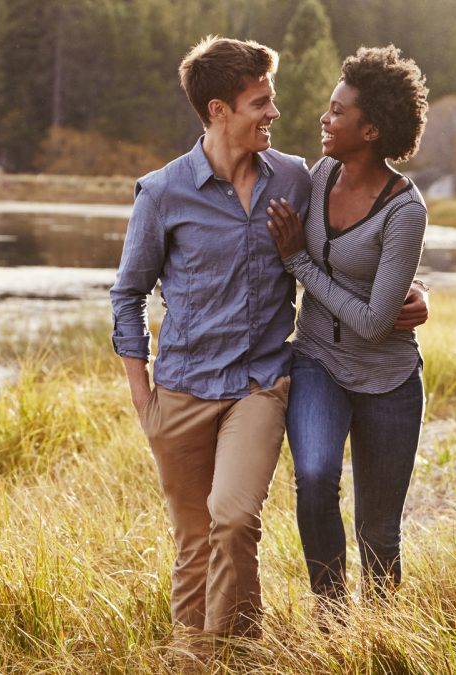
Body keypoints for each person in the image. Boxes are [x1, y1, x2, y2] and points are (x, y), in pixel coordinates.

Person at [110, 36, 426, 639]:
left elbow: (362, 245)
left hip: (263, 382)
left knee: (235, 519)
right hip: (183, 385)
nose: (278, 113)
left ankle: (331, 638)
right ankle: (211, 651)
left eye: (272, 98)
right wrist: (138, 388)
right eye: (261, 102)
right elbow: (128, 293)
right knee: (196, 540)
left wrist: (413, 291)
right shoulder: (164, 193)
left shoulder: (293, 179)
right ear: (219, 110)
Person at [265, 45, 430, 608]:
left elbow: (369, 323)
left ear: (372, 129)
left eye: (338, 111)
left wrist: (299, 263)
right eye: (329, 107)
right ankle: (332, 618)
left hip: (388, 379)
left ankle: (381, 637)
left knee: (378, 532)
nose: (325, 118)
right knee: (313, 479)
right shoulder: (320, 172)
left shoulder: (406, 209)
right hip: (316, 361)